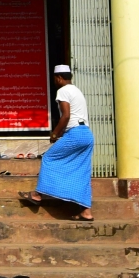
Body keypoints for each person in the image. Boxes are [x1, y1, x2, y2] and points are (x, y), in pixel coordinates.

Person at [21, 64, 94, 221]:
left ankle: (37, 195)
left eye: (55, 78)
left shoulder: (63, 90)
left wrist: (55, 133)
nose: (54, 81)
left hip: (75, 133)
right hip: (87, 134)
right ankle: (86, 212)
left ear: (59, 78)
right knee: (82, 170)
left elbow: (66, 115)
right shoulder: (77, 90)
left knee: (49, 158)